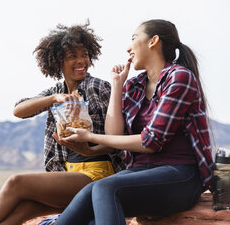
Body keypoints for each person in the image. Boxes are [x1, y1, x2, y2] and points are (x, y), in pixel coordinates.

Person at [54, 19, 214, 225]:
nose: (128, 47)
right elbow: (115, 137)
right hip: (140, 173)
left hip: (180, 175)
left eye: (133, 39)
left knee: (104, 187)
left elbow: (151, 141)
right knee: (89, 194)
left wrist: (90, 137)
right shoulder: (134, 85)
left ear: (153, 41)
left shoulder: (179, 77)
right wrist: (117, 85)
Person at [0, 21, 124, 225]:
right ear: (58, 62)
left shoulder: (99, 87)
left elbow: (117, 140)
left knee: (16, 183)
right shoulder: (56, 91)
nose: (82, 61)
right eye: (73, 56)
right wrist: (54, 99)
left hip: (98, 174)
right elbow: (19, 110)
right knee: (21, 211)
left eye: (85, 55)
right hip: (68, 174)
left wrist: (88, 147)